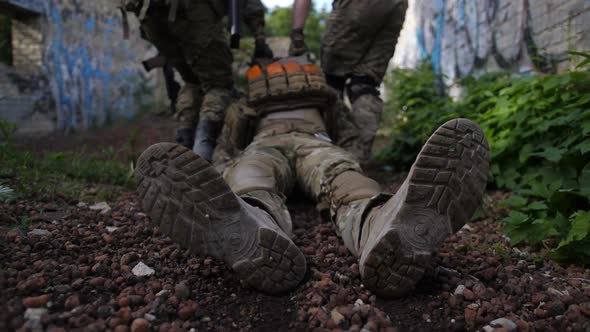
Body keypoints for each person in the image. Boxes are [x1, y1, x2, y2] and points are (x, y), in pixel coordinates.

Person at [135, 56, 490, 297]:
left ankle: (379, 225)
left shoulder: (318, 100)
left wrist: (225, 164)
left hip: (300, 143)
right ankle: (256, 221)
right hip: (288, 144)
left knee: (329, 172)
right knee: (279, 173)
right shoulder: (256, 105)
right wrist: (223, 168)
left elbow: (230, 146)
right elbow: (231, 144)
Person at [121, 0, 273, 161]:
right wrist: (260, 37)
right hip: (193, 12)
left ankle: (183, 149)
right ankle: (203, 152)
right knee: (218, 85)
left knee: (192, 81)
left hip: (150, 16)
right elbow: (251, 4)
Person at [290, 0, 408, 161]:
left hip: (356, 7)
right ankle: (359, 152)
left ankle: (329, 153)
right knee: (365, 84)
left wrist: (297, 35)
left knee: (332, 82)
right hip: (396, 6)